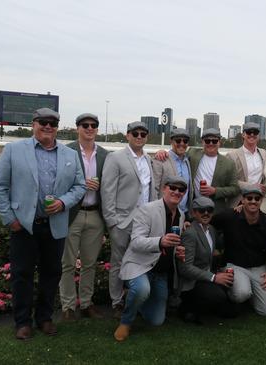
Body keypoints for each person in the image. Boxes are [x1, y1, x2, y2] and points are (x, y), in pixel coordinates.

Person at [0, 107, 85, 340]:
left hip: (54, 226)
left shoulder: (69, 155)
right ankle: (22, 322)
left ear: (57, 127)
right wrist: (9, 219)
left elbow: (80, 186)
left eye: (53, 123)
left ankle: (44, 318)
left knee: (51, 274)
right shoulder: (13, 150)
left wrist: (64, 203)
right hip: (23, 226)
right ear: (33, 124)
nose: (48, 126)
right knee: (22, 275)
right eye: (43, 122)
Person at [113, 176, 187, 341]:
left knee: (156, 320)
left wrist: (178, 251)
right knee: (141, 289)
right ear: (164, 189)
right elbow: (136, 242)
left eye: (181, 190)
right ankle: (126, 321)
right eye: (172, 188)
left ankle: (135, 301)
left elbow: (171, 244)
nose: (176, 192)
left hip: (160, 272)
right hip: (140, 265)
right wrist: (160, 241)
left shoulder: (181, 215)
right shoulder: (147, 209)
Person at [101, 121, 157, 319]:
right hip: (122, 221)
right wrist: (112, 222)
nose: (139, 137)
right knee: (118, 262)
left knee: (141, 261)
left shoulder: (149, 160)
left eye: (143, 134)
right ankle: (116, 302)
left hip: (143, 222)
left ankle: (137, 299)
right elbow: (107, 191)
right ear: (128, 135)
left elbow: (150, 191)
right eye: (135, 133)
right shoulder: (115, 158)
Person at [211, 185, 266, 316]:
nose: (253, 201)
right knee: (242, 293)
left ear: (261, 200)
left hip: (259, 269)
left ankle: (252, 294)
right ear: (243, 200)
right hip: (235, 266)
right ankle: (232, 293)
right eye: (249, 198)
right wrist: (189, 223)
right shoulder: (231, 216)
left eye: (257, 198)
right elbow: (209, 221)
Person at [59, 113, 109, 321]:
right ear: (77, 128)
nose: (89, 128)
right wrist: (80, 187)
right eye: (85, 125)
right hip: (73, 214)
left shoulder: (105, 155)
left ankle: (86, 303)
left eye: (93, 125)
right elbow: (59, 181)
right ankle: (68, 306)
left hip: (95, 214)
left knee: (90, 263)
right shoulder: (66, 151)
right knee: (68, 263)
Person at [178, 197, 237, 323]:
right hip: (192, 283)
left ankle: (209, 306)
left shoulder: (211, 229)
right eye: (201, 210)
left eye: (209, 210)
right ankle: (188, 309)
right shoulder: (190, 233)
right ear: (194, 213)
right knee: (218, 297)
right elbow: (185, 268)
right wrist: (214, 277)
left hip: (207, 277)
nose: (206, 213)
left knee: (232, 311)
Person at [188, 128, 240, 214]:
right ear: (202, 142)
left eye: (214, 141)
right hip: (195, 209)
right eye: (207, 141)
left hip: (216, 211)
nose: (211, 143)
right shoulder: (192, 154)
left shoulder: (229, 164)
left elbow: (235, 189)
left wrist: (215, 191)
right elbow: (177, 152)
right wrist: (162, 152)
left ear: (219, 142)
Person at [226, 122, 266, 207]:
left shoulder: (264, 153)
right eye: (249, 132)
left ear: (258, 136)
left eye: (255, 132)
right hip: (239, 201)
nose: (252, 135)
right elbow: (228, 180)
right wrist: (251, 186)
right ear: (243, 135)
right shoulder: (232, 155)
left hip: (259, 200)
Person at [152, 128, 193, 214]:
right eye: (178, 141)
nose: (182, 143)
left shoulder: (187, 161)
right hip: (164, 212)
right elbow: (154, 188)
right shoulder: (161, 160)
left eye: (185, 141)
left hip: (183, 212)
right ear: (171, 141)